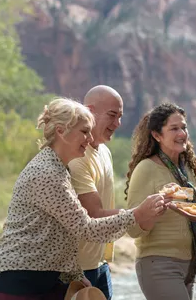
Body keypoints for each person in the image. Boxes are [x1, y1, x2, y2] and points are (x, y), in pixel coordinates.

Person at [0, 97, 166, 300]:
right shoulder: (46, 173)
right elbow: (85, 228)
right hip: (16, 282)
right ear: (60, 131)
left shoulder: (60, 169)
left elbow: (63, 232)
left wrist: (75, 274)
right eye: (84, 131)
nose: (89, 139)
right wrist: (136, 215)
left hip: (42, 281)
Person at [125, 102, 196, 300]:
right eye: (174, 128)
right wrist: (153, 211)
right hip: (159, 264)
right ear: (157, 135)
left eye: (184, 127)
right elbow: (132, 227)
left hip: (189, 265)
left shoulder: (189, 172)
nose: (182, 133)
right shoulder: (146, 169)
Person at [68, 85, 124, 300]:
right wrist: (138, 214)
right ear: (89, 111)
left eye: (120, 117)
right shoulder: (77, 156)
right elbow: (93, 214)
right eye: (112, 115)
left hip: (100, 264)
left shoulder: (105, 152)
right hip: (76, 269)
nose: (117, 124)